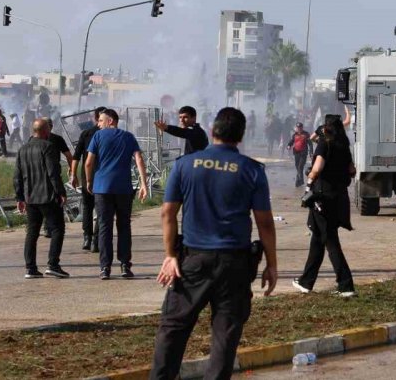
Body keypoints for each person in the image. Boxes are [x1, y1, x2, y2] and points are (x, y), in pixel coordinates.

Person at [149, 107, 278, 380]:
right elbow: (265, 223)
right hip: (235, 265)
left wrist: (170, 255)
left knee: (173, 328)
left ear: (211, 131)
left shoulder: (185, 165)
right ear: (241, 136)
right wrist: (272, 265)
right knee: (224, 337)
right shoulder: (252, 170)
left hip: (193, 262)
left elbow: (167, 213)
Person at [293, 115, 357, 297]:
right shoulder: (344, 147)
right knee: (318, 238)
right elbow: (352, 171)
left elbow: (317, 168)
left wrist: (308, 185)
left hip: (322, 198)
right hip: (339, 198)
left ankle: (346, 285)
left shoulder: (324, 144)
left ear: (325, 128)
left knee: (330, 240)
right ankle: (306, 282)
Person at [85, 108, 149, 280]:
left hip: (102, 188)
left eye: (100, 120)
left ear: (110, 121)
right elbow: (139, 159)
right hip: (123, 189)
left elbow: (89, 162)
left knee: (104, 227)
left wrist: (89, 181)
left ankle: (105, 267)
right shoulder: (128, 137)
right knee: (124, 226)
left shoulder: (98, 137)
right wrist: (144, 184)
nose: (98, 124)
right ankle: (125, 265)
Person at [14, 119, 69, 279]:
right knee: (58, 229)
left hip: (30, 197)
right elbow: (53, 173)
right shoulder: (48, 147)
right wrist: (61, 192)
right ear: (46, 131)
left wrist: (19, 197)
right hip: (48, 196)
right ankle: (53, 265)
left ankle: (30, 268)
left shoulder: (22, 149)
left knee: (32, 232)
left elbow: (17, 176)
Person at [72, 108, 104, 252]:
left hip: (87, 175)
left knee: (87, 207)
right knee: (101, 208)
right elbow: (77, 155)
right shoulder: (105, 134)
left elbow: (76, 156)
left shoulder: (86, 133)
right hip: (101, 176)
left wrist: (73, 174)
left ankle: (87, 238)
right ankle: (95, 240)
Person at [286, 122, 312, 187]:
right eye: (298, 127)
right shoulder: (294, 135)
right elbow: (291, 141)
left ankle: (300, 180)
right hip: (296, 152)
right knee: (297, 166)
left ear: (302, 128)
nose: (299, 129)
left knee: (300, 167)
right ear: (296, 128)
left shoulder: (306, 134)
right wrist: (289, 145)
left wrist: (311, 152)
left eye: (300, 127)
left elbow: (310, 144)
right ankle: (298, 182)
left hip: (303, 153)